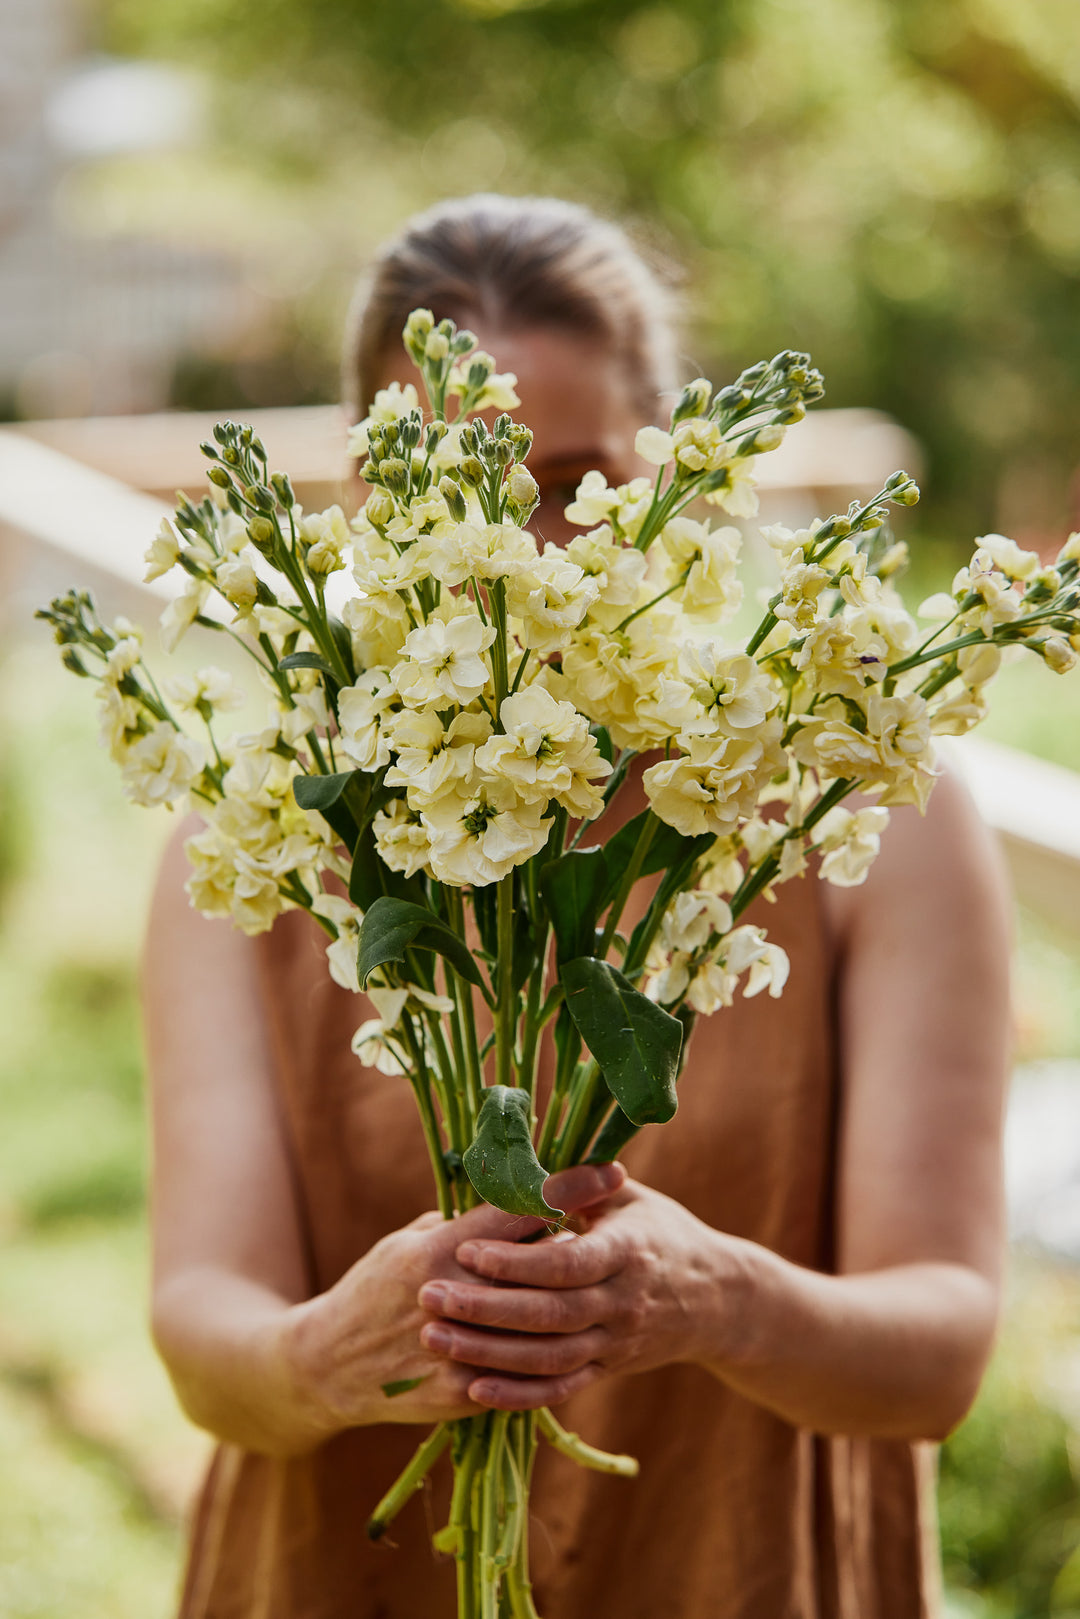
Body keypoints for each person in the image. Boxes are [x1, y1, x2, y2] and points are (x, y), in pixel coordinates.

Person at [144, 194, 1012, 1618]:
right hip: (344, 1577)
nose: (527, 559)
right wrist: (331, 1353)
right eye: (463, 499)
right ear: (367, 497)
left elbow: (943, 1357)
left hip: (741, 1572)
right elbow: (200, 1340)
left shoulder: (852, 814)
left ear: (668, 475)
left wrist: (719, 1299)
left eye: (569, 483)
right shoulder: (259, 834)